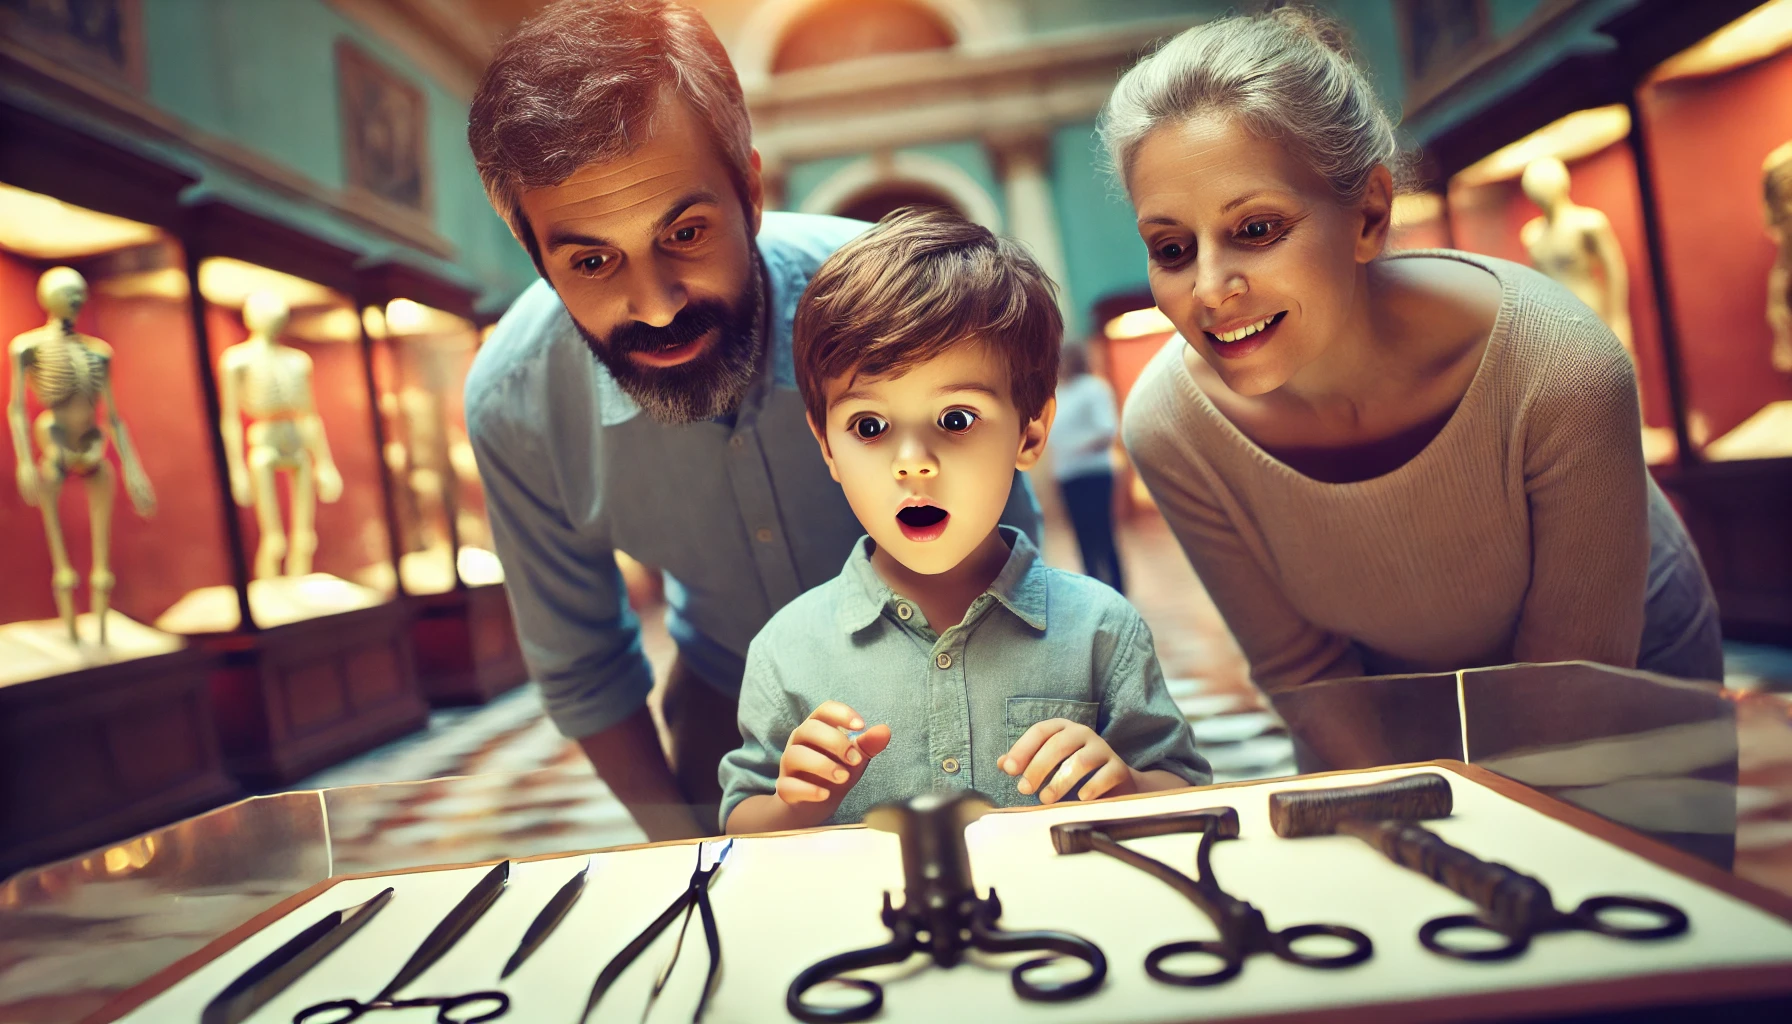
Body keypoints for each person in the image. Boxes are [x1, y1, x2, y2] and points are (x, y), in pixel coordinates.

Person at [464, 0, 1042, 842]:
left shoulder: (904, 310)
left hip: (966, 663)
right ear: (534, 256)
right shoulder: (516, 404)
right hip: (724, 707)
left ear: (752, 190)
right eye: (591, 260)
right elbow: (585, 665)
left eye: (686, 232)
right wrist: (684, 853)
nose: (656, 306)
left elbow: (1014, 564)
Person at [1102, 8, 1723, 695]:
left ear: (1369, 215)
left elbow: (1569, 691)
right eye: (1172, 249)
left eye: (1255, 227)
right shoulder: (1168, 428)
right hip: (1390, 715)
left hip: (1631, 689)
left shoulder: (1561, 366)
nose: (1210, 290)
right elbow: (1304, 675)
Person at [719, 209, 1209, 833]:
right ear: (827, 446)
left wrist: (1129, 785)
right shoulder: (785, 652)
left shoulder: (1100, 630)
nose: (913, 465)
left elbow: (1183, 789)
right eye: (869, 427)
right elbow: (741, 822)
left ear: (1030, 432)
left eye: (955, 420)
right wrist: (796, 806)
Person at [1051, 343, 1126, 592]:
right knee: (1082, 536)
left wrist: (1076, 447)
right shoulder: (1058, 394)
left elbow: (1107, 430)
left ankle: (1117, 589)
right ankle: (1094, 590)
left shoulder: (1093, 388)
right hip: (1067, 475)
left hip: (1094, 473)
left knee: (1102, 533)